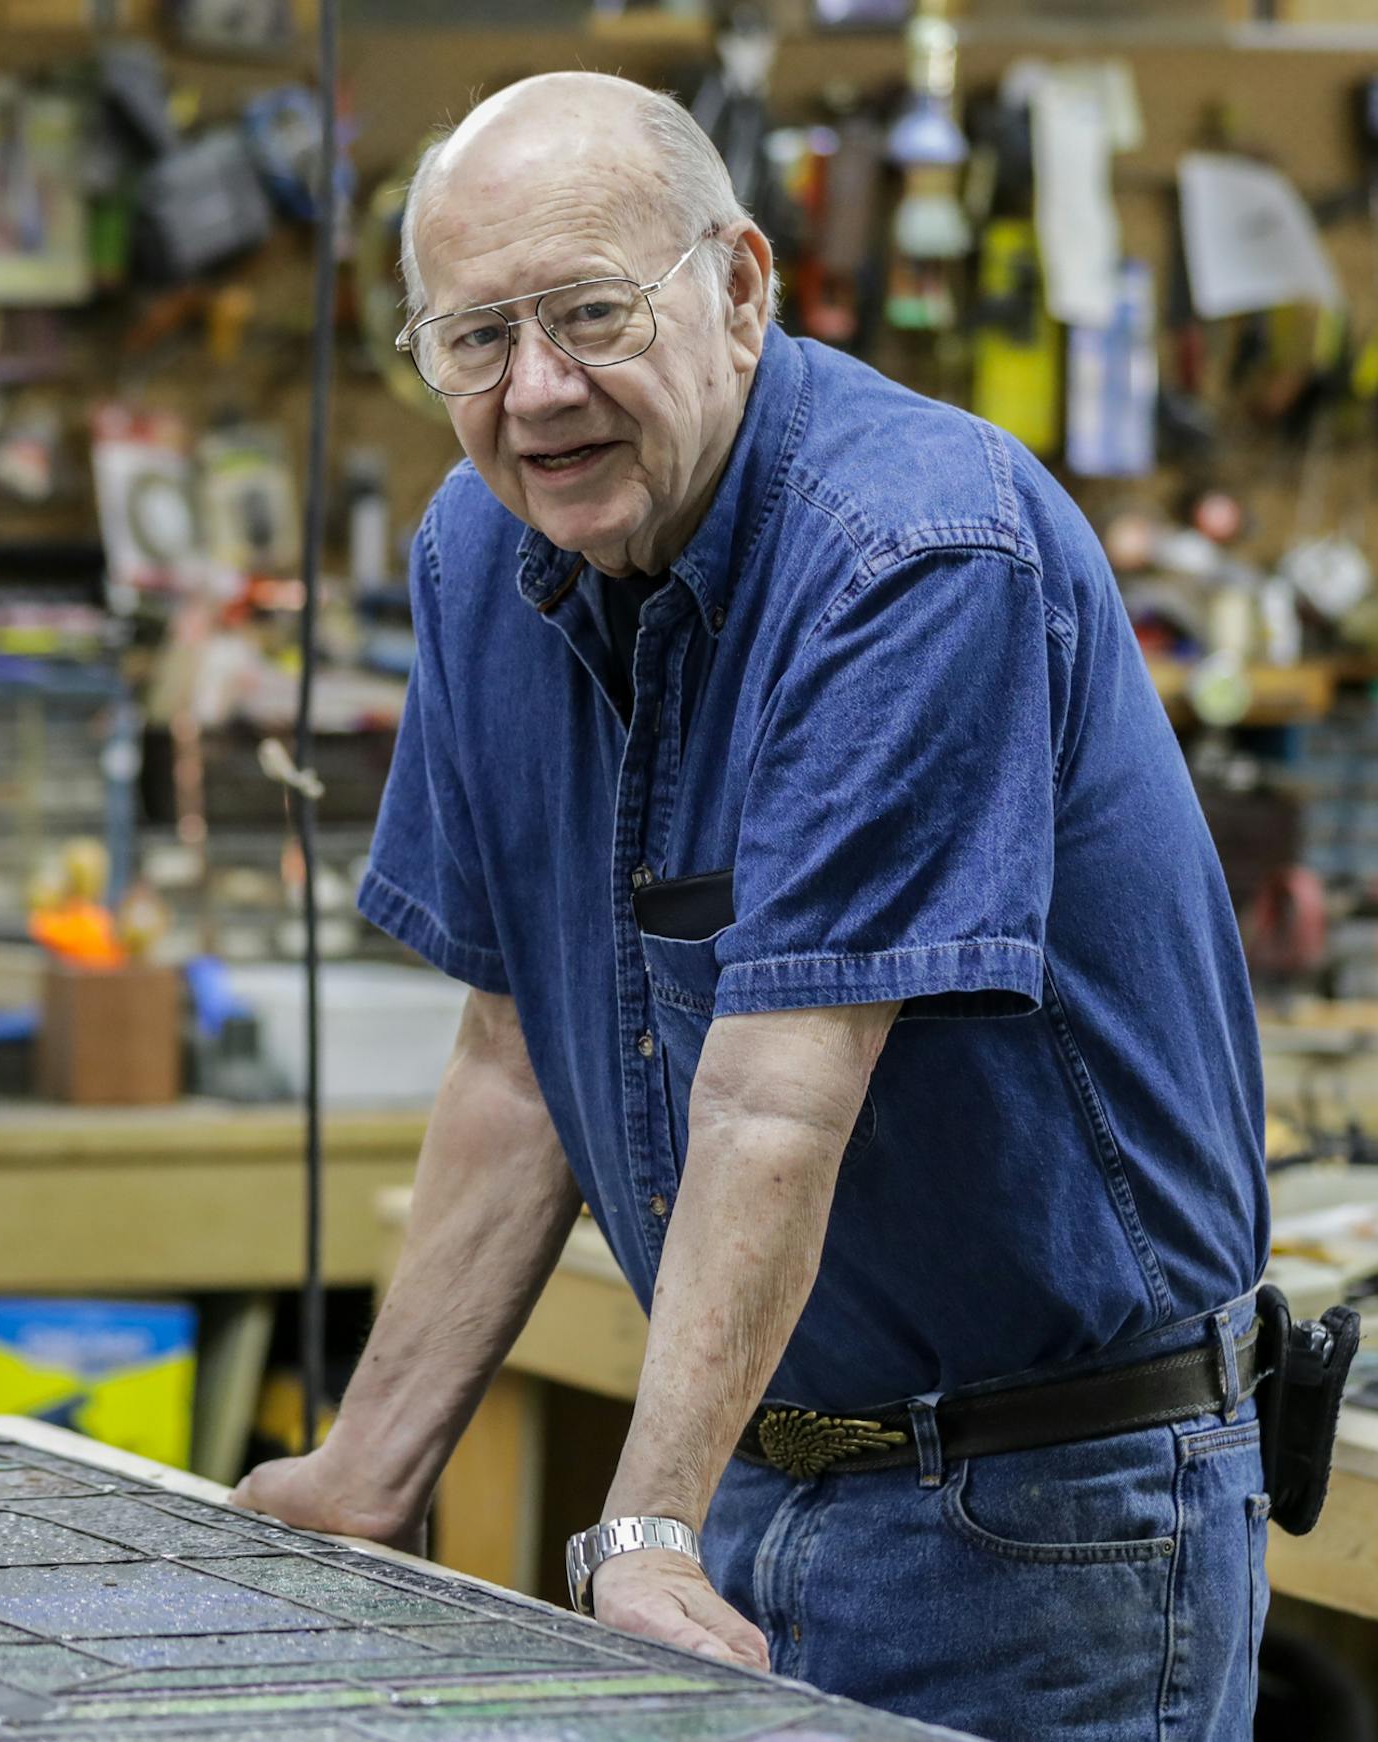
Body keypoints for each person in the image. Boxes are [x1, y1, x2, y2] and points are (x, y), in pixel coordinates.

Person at [231, 71, 1271, 1742]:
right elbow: (519, 1059)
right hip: (758, 1478)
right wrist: (369, 1466)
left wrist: (639, 1526)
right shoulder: (477, 558)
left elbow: (780, 1092)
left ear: (739, 286)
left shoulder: (915, 556)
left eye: (585, 312)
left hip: (1045, 1521)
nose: (538, 389)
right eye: (474, 340)